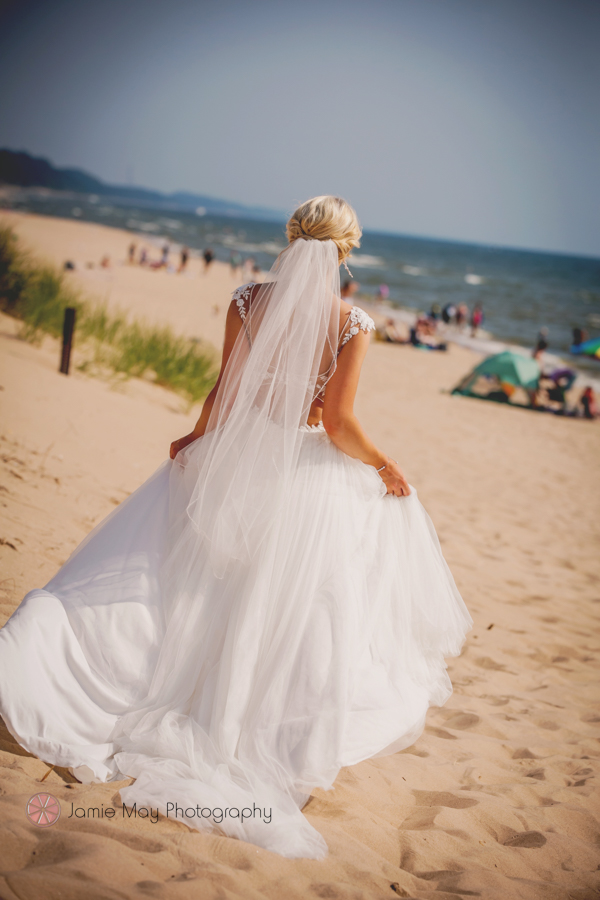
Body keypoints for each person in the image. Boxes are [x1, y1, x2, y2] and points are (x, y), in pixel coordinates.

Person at [0, 195, 471, 860]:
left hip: (241, 455)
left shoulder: (248, 300)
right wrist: (387, 464)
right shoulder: (351, 322)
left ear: (290, 238)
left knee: (186, 585)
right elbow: (337, 426)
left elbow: (225, 392)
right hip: (305, 474)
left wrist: (194, 440)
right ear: (345, 250)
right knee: (294, 609)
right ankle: (266, 732)